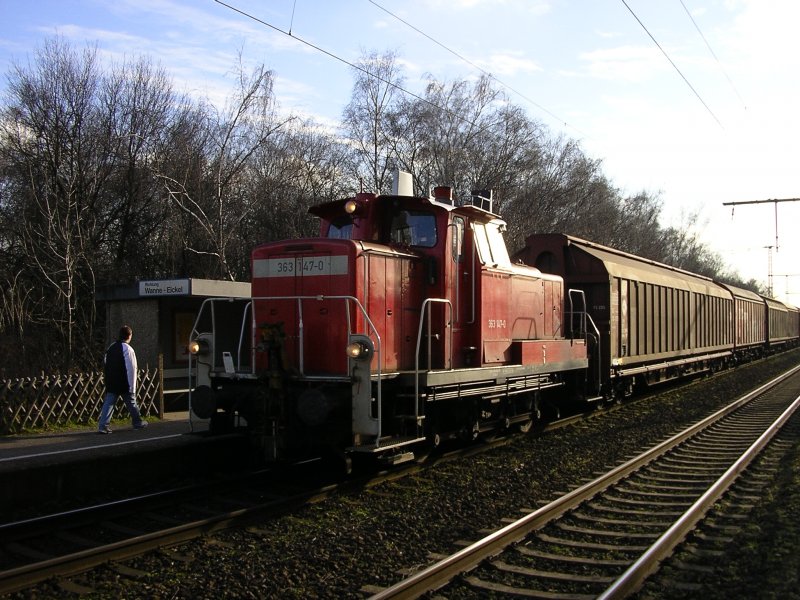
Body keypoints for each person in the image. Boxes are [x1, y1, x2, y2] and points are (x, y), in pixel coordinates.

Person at [97, 325, 148, 433]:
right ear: (129, 336)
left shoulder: (111, 347)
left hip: (112, 380)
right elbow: (132, 368)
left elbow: (106, 363)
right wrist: (132, 386)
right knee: (131, 402)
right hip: (124, 381)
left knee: (109, 402)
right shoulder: (128, 349)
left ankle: (103, 425)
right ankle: (137, 422)